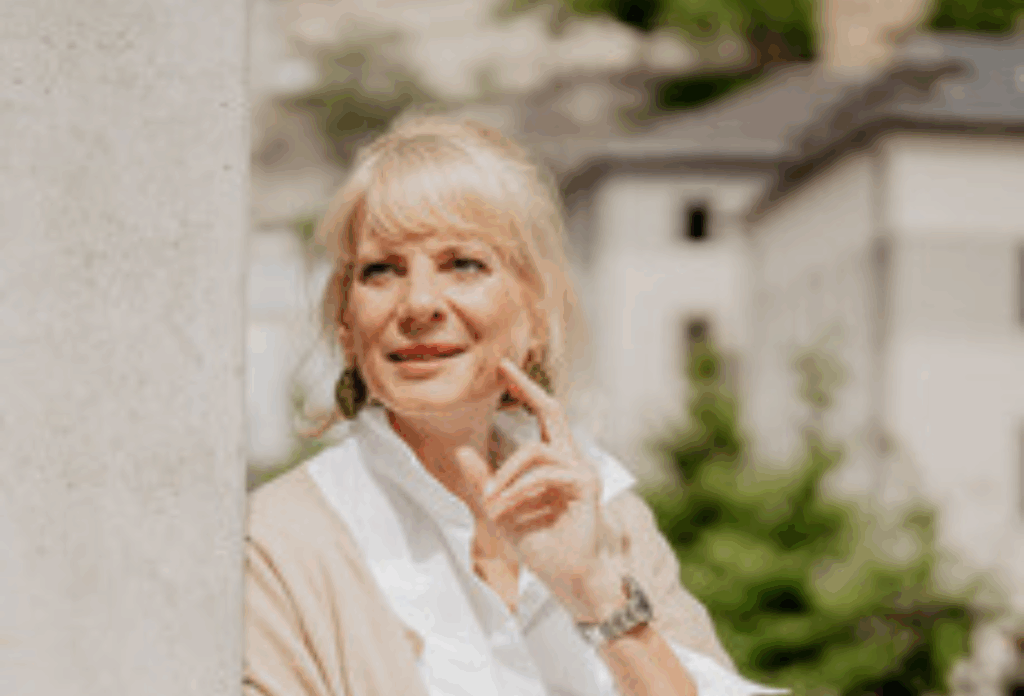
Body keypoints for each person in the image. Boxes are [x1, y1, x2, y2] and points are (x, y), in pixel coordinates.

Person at [243, 112, 787, 696]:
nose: (420, 302)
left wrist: (596, 592)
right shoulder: (277, 542)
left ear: (533, 317)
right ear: (348, 324)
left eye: (463, 264)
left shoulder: (613, 516)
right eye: (382, 270)